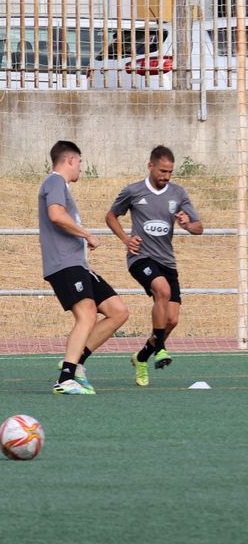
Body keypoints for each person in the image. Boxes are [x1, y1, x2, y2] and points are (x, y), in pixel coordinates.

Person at [39, 140, 128, 395]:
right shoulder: (55, 181)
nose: (81, 167)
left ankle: (77, 364)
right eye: (79, 162)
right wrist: (87, 234)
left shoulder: (61, 186)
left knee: (118, 311)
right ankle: (65, 379)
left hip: (77, 264)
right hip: (64, 265)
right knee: (87, 314)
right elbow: (56, 215)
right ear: (70, 160)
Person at [105, 145, 199, 387]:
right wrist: (126, 239)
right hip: (140, 258)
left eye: (170, 172)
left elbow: (199, 227)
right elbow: (111, 216)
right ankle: (161, 349)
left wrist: (187, 224)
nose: (166, 176)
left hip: (167, 261)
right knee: (162, 290)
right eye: (162, 171)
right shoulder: (133, 191)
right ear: (150, 166)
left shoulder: (178, 193)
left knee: (172, 320)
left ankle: (142, 357)